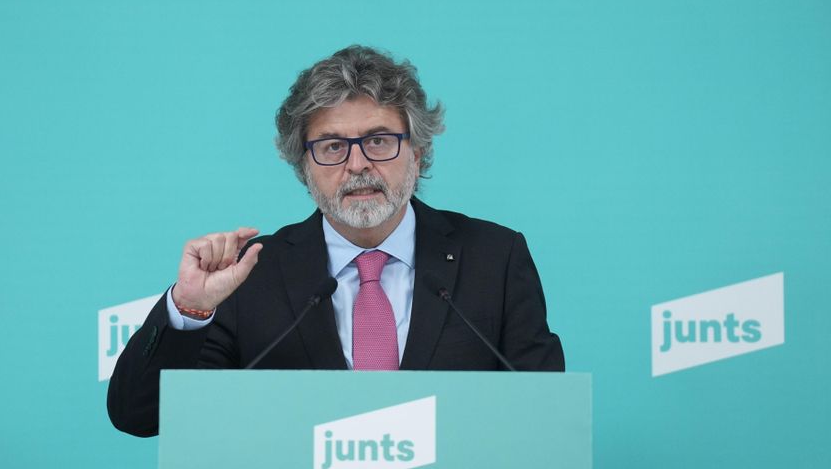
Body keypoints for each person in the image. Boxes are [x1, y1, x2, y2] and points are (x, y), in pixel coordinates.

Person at [107, 45, 564, 437]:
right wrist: (189, 308)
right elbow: (140, 416)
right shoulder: (249, 272)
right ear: (303, 168)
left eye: (379, 141)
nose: (358, 164)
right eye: (331, 147)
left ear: (417, 152)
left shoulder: (495, 258)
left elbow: (545, 421)